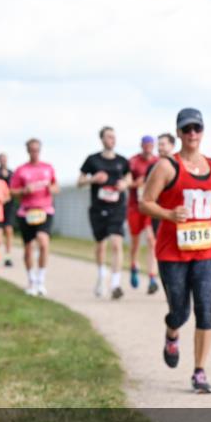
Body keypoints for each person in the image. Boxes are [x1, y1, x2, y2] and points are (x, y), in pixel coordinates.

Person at [140, 108, 211, 394]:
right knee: (180, 312)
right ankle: (172, 333)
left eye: (197, 128)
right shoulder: (167, 167)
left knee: (205, 310)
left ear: (203, 131)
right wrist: (169, 214)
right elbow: (145, 202)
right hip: (173, 252)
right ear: (179, 133)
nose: (192, 133)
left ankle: (199, 371)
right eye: (187, 129)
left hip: (209, 251)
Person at [79, 126, 133, 299]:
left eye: (114, 137)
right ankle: (102, 276)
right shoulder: (92, 160)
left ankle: (116, 283)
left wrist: (125, 184)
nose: (112, 139)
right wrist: (93, 179)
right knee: (101, 245)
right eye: (109, 136)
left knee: (117, 242)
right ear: (102, 139)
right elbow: (79, 181)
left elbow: (129, 178)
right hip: (97, 208)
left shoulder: (122, 161)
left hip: (117, 207)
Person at [10, 139, 59, 296]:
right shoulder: (21, 170)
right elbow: (12, 191)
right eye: (31, 149)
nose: (34, 152)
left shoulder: (48, 168)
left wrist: (51, 188)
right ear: (27, 150)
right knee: (28, 248)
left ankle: (41, 280)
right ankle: (31, 280)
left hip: (45, 210)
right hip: (26, 212)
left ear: (40, 150)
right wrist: (24, 190)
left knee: (43, 242)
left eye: (37, 149)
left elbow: (56, 186)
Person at [127, 136, 160, 294]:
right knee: (135, 242)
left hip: (149, 206)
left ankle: (152, 277)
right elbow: (126, 182)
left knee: (151, 240)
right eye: (145, 144)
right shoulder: (133, 161)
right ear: (141, 145)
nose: (148, 147)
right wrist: (137, 182)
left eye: (150, 144)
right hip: (135, 206)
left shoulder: (158, 162)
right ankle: (133, 265)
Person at [0, 152, 16, 267]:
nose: (3, 161)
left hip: (9, 205)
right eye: (1, 159)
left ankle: (8, 256)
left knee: (8, 230)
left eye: (5, 159)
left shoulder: (12, 174)